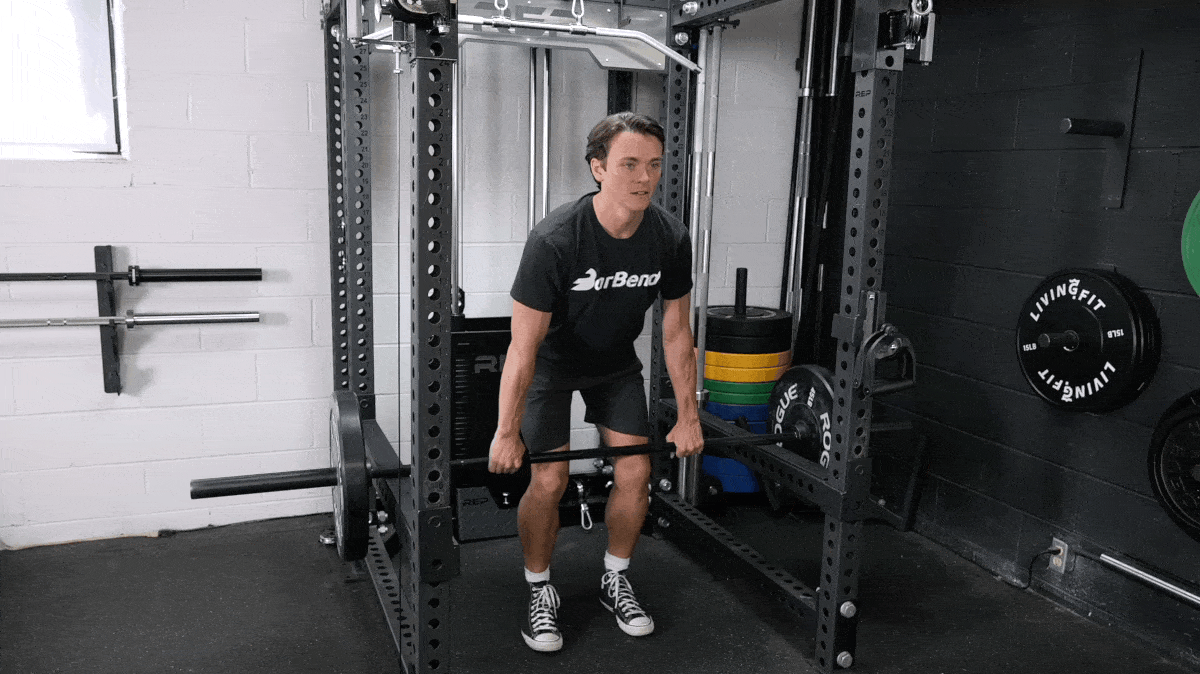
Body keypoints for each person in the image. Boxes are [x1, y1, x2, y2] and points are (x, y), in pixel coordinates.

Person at [488, 111, 705, 652]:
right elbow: (523, 347)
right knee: (549, 481)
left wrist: (688, 414)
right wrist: (506, 431)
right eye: (630, 164)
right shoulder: (555, 241)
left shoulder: (670, 238)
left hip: (613, 365)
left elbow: (677, 333)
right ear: (598, 168)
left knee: (636, 471)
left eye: (654, 165)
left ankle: (616, 577)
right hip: (551, 367)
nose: (644, 177)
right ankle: (540, 588)